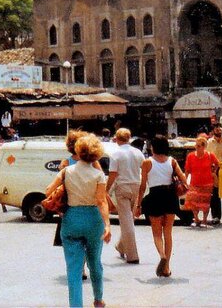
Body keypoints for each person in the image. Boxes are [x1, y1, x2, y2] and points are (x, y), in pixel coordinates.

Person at [46, 133, 111, 308]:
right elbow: (101, 201)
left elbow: (48, 190)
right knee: (95, 262)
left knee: (73, 269)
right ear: (97, 153)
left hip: (72, 219)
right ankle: (98, 299)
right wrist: (107, 224)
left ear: (77, 150)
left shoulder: (66, 171)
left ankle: (76, 305)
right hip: (93, 220)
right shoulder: (99, 175)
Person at [135, 135, 187, 277]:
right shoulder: (172, 161)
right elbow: (184, 179)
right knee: (168, 232)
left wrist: (138, 205)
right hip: (170, 197)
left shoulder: (147, 162)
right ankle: (167, 267)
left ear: (153, 147)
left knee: (157, 233)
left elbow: (142, 186)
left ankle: (162, 256)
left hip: (155, 196)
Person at [106, 128, 144, 264]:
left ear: (117, 139)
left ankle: (132, 255)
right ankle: (121, 246)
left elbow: (112, 175)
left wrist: (106, 190)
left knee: (126, 221)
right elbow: (144, 169)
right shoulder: (138, 152)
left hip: (122, 187)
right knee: (129, 220)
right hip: (137, 186)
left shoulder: (115, 154)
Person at [184, 136, 219, 227]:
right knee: (193, 201)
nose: (197, 147)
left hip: (207, 182)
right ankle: (196, 218)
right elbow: (187, 169)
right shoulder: (190, 156)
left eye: (199, 146)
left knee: (205, 202)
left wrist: (213, 172)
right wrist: (185, 180)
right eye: (196, 145)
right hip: (194, 182)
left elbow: (217, 163)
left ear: (204, 147)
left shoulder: (210, 155)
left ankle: (204, 220)